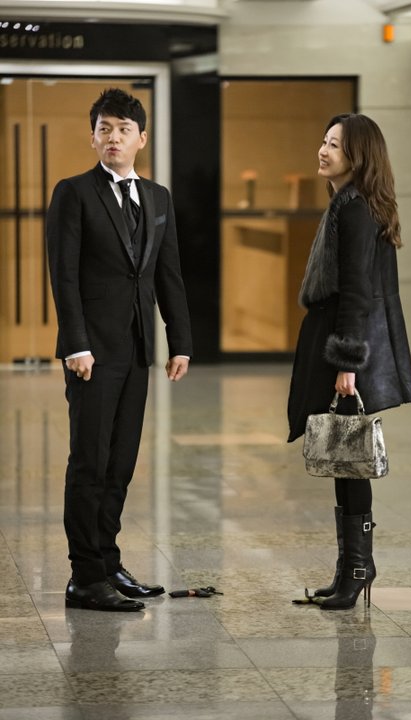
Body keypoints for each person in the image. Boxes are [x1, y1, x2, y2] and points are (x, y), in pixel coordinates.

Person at [47, 88, 193, 612]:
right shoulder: (73, 193)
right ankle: (85, 577)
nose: (113, 137)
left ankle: (108, 562)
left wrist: (180, 341)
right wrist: (76, 344)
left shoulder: (157, 198)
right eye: (104, 129)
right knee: (90, 462)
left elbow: (167, 273)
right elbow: (63, 275)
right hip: (91, 354)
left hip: (136, 350)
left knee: (121, 462)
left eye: (124, 129)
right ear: (93, 137)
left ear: (141, 139)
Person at [288, 113, 411, 611]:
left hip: (343, 348)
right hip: (337, 342)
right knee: (344, 459)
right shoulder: (347, 203)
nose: (323, 150)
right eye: (323, 141)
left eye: (335, 145)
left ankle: (358, 569)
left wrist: (347, 365)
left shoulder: (355, 209)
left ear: (357, 155)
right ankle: (349, 569)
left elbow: (357, 293)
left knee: (351, 459)